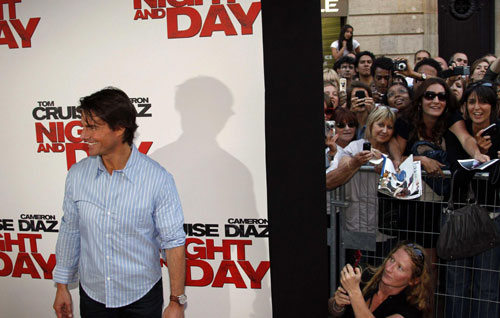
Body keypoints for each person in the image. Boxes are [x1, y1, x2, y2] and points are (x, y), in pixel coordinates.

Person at [52, 88, 187, 318]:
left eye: (92, 127)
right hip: (93, 296)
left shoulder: (157, 179)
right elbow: (70, 230)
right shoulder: (77, 175)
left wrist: (176, 301)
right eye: (83, 126)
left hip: (141, 297)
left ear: (119, 128)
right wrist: (62, 287)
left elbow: (173, 242)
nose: (83, 135)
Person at [444, 80, 500, 318]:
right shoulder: (458, 129)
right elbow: (456, 170)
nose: (478, 107)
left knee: (486, 286)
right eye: (472, 101)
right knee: (456, 286)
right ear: (465, 106)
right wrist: (480, 155)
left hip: (492, 216)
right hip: (459, 217)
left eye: (484, 101)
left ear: (493, 106)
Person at [328, 241, 432, 318]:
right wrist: (337, 305)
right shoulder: (365, 276)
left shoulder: (411, 309)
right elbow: (331, 308)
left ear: (413, 280)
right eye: (392, 259)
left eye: (400, 268)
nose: (388, 268)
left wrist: (354, 292)